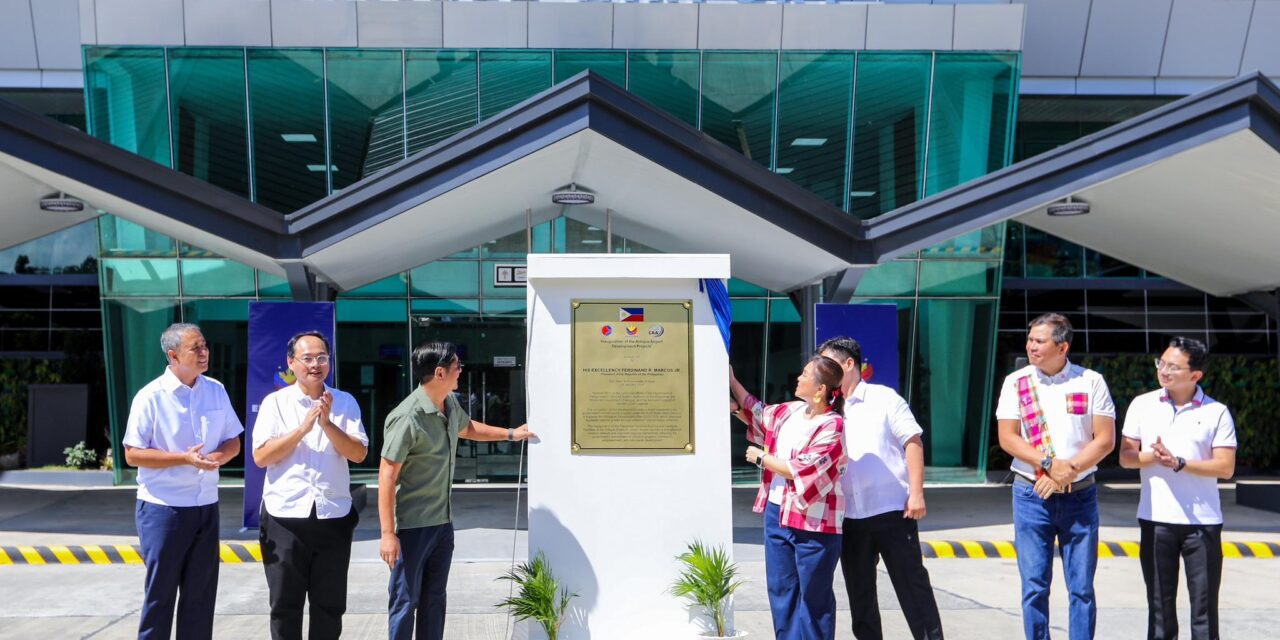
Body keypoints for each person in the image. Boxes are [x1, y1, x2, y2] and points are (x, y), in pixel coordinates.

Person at [378, 341, 535, 640]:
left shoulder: (449, 404)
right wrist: (387, 534)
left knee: (434, 600)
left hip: (442, 524)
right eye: (456, 367)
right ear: (439, 373)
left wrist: (512, 434)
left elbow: (467, 428)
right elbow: (387, 475)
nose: (461, 371)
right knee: (405, 601)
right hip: (411, 527)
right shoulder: (407, 416)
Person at [996, 313, 1115, 640]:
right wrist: (1050, 463)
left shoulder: (1090, 381)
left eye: (1039, 341)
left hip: (1080, 496)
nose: (1031, 346)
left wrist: (1068, 472)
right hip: (1031, 495)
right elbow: (1008, 438)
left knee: (1081, 589)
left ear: (1062, 347)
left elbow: (1104, 439)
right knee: (1034, 586)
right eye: (1030, 339)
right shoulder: (1017, 382)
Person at [122, 322, 244, 640]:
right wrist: (183, 458)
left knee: (200, 596)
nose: (204, 352)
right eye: (196, 348)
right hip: (163, 509)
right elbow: (133, 454)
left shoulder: (215, 389)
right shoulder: (149, 397)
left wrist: (218, 458)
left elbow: (234, 441)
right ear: (173, 355)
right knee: (160, 595)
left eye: (205, 346)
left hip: (206, 505)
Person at [817, 337, 943, 640]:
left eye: (827, 363)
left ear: (849, 364)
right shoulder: (827, 408)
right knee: (860, 595)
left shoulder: (885, 399)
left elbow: (912, 442)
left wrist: (917, 493)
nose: (820, 371)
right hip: (848, 517)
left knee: (912, 587)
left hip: (892, 511)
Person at [252, 331, 369, 640]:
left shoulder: (344, 402)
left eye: (322, 358)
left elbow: (358, 453)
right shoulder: (274, 403)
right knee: (284, 605)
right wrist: (303, 428)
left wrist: (327, 424)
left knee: (329, 605)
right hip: (285, 517)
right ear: (291, 362)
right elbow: (262, 456)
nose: (315, 365)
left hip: (332, 516)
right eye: (307, 358)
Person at [1119, 336, 1236, 640]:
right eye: (1162, 363)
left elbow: (1225, 466)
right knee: (1159, 610)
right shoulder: (1142, 404)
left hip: (1203, 524)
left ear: (1195, 375)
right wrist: (1154, 457)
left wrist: (1180, 462)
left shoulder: (1217, 412)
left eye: (1174, 366)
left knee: (1204, 610)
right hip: (1156, 520)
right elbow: (1126, 457)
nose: (1164, 371)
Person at [730, 355, 848, 640]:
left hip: (814, 522)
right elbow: (758, 411)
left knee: (813, 598)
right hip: (777, 513)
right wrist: (732, 382)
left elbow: (802, 468)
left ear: (820, 389)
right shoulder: (791, 411)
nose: (799, 377)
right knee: (781, 591)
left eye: (806, 374)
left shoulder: (832, 425)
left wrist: (762, 457)